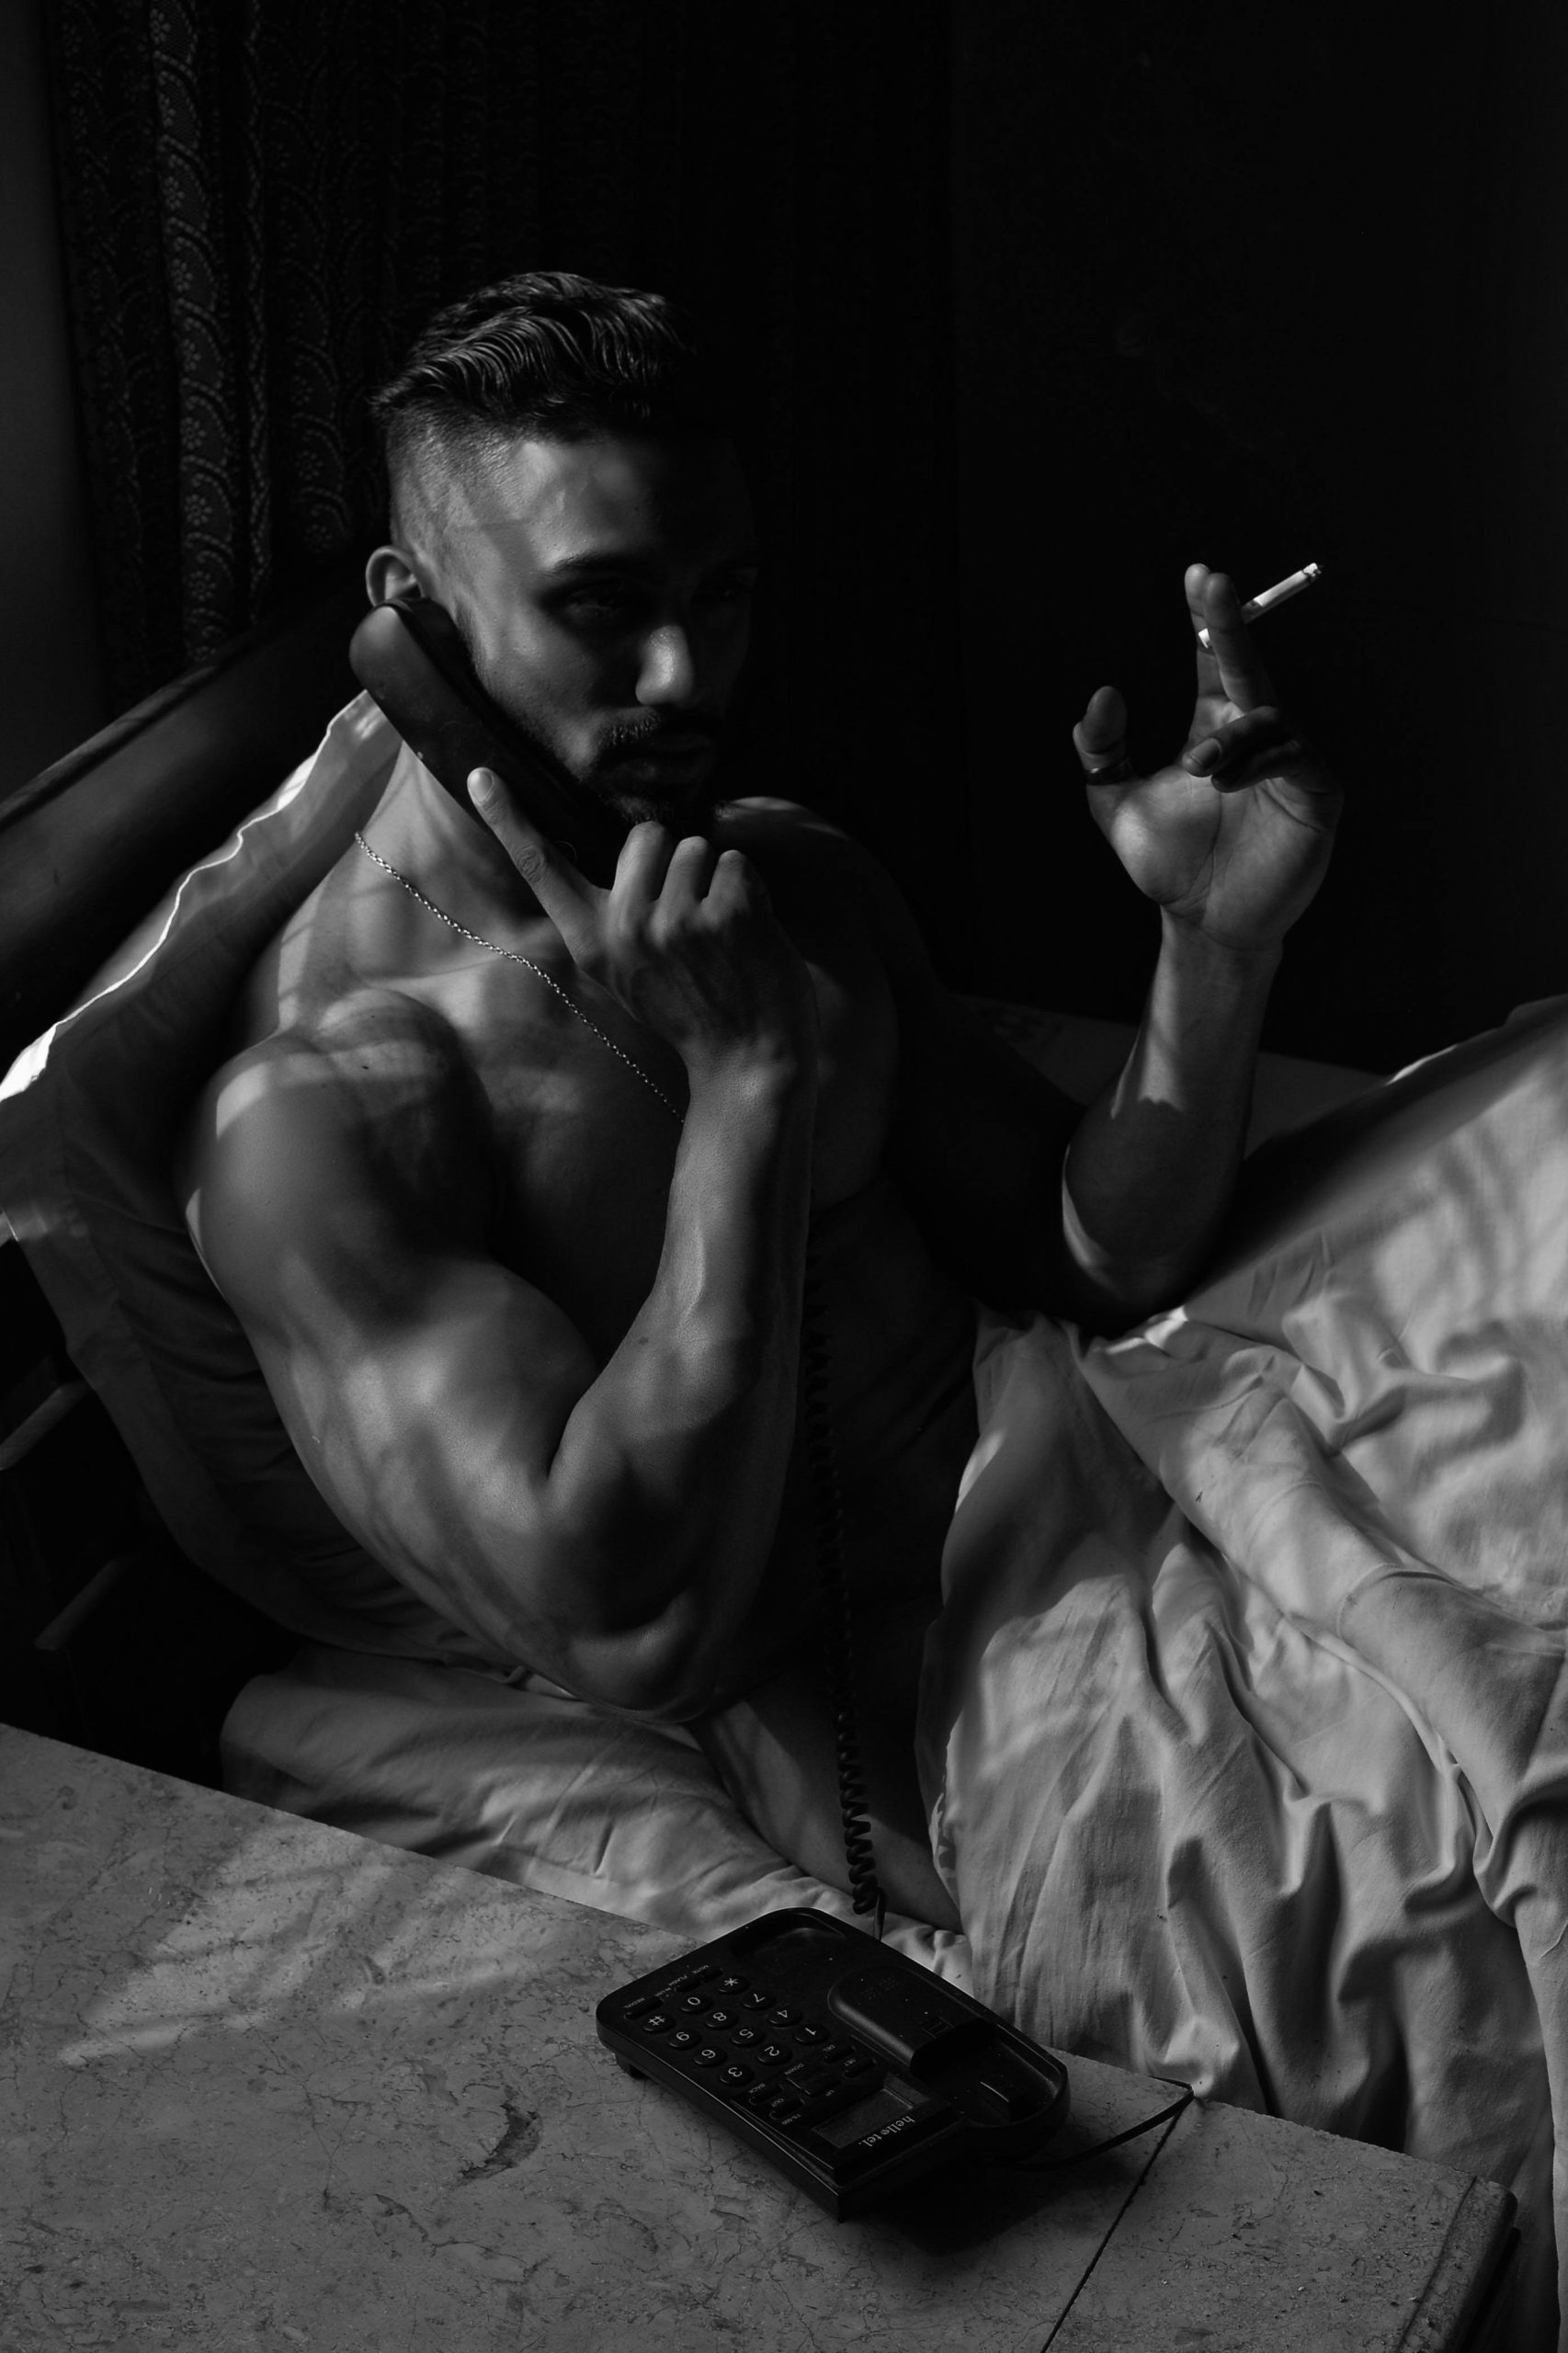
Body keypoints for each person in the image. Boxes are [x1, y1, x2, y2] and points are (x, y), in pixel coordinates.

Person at [177, 270, 1342, 1931]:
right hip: (985, 1743)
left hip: (1164, 1503)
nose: (684, 673)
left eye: (720, 595)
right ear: (412, 612)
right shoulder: (327, 1112)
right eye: (600, 605)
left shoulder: (784, 876)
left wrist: (1214, 951)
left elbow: (1088, 1250)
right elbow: (633, 1627)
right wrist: (744, 1089)